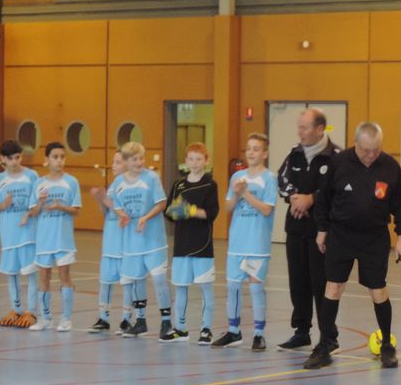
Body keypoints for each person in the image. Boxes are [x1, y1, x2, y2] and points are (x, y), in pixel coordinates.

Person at [306, 121, 401, 370]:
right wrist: (322, 230)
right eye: (366, 150)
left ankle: (387, 345)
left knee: (378, 291)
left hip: (374, 238)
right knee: (333, 288)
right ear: (355, 144)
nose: (371, 155)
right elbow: (323, 199)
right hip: (341, 235)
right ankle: (324, 346)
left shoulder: (390, 166)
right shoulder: (339, 163)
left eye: (376, 149)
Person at [276, 108, 341, 351]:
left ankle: (328, 336)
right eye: (299, 127)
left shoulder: (336, 156)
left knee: (321, 284)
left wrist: (311, 199)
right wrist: (295, 198)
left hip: (321, 232)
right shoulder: (294, 154)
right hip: (295, 228)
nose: (299, 132)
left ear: (320, 129)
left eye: (304, 127)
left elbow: (336, 188)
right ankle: (301, 331)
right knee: (298, 282)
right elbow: (281, 180)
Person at [215, 134, 278, 350]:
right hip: (237, 243)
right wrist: (235, 195)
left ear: (265, 153)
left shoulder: (269, 178)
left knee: (255, 288)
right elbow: (227, 208)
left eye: (256, 149)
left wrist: (246, 194)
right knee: (232, 286)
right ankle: (233, 331)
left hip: (256, 244)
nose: (251, 152)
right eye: (249, 148)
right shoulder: (237, 177)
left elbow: (267, 209)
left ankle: (259, 334)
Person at [112, 141, 172, 339]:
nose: (139, 162)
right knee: (137, 280)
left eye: (141, 158)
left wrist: (145, 218)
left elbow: (161, 203)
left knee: (159, 280)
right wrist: (122, 215)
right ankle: (140, 321)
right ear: (126, 161)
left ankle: (166, 322)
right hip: (132, 241)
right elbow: (116, 205)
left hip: (153, 240)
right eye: (134, 159)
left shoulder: (151, 178)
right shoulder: (119, 182)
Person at [164, 142, 221, 344]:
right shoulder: (178, 185)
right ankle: (180, 329)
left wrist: (191, 211)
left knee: (205, 288)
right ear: (186, 161)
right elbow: (168, 212)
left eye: (199, 159)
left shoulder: (210, 185)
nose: (195, 163)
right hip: (181, 246)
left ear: (206, 161)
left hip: (202, 246)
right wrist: (174, 211)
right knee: (180, 288)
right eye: (191, 159)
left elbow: (212, 213)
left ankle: (206, 329)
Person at [25, 142, 81, 332]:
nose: (59, 160)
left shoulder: (71, 182)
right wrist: (40, 203)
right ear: (47, 160)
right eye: (55, 157)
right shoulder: (39, 184)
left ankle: (66, 319)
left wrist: (60, 206)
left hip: (63, 239)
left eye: (62, 157)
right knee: (44, 277)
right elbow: (33, 212)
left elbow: (76, 210)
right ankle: (45, 318)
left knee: (64, 275)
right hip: (44, 239)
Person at [0, 140, 39, 329]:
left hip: (28, 233)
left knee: (31, 272)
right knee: (12, 273)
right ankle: (16, 309)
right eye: (11, 158)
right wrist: (4, 205)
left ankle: (31, 310)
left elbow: (38, 204)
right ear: (2, 159)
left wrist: (28, 214)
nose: (15, 162)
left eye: (18, 157)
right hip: (9, 235)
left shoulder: (32, 176)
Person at [87, 151, 134, 334]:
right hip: (110, 243)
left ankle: (126, 319)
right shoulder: (114, 184)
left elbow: (124, 211)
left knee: (127, 283)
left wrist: (104, 199)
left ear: (127, 164)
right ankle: (103, 318)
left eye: (117, 162)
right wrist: (100, 200)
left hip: (124, 244)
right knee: (105, 281)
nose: (113, 165)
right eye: (113, 162)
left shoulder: (130, 186)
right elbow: (106, 211)